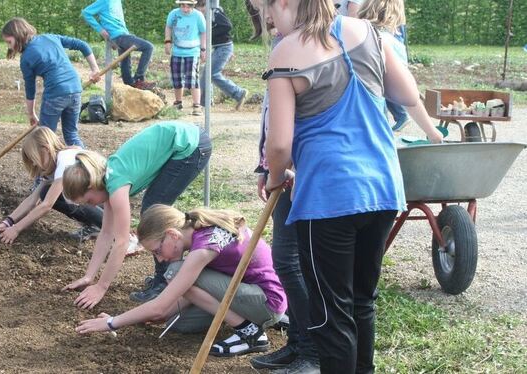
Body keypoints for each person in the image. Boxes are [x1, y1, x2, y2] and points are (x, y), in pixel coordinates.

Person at [258, 0, 442, 372]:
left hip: (329, 195)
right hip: (382, 188)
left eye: (268, 12)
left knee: (331, 314)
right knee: (361, 302)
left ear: (284, 3)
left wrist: (277, 177)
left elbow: (278, 144)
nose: (270, 22)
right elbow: (407, 96)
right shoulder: (368, 32)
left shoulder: (287, 51)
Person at [75, 204, 287, 357]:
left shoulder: (204, 246)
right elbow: (173, 302)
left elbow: (160, 305)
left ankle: (250, 332)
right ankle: (249, 323)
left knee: (176, 272)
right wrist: (154, 314)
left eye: (157, 250)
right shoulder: (199, 232)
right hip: (245, 294)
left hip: (266, 302)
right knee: (179, 322)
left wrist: (113, 322)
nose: (160, 258)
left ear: (172, 234)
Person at [61, 121, 212, 308]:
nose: (93, 205)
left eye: (89, 201)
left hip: (190, 145)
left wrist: (101, 287)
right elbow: (106, 234)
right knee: (152, 211)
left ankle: (165, 282)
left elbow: (122, 242)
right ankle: (165, 277)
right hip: (181, 141)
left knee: (152, 214)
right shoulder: (106, 183)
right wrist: (89, 276)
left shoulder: (116, 186)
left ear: (91, 185)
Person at [247, 16, 320, 374]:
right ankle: (298, 344)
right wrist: (265, 165)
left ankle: (312, 353)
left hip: (301, 169)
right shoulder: (281, 44)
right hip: (281, 169)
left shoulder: (307, 47)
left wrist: (281, 166)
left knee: (298, 262)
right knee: (286, 260)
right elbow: (269, 115)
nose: (266, 18)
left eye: (268, 7)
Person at [0, 127, 104, 244]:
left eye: (33, 158)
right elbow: (32, 200)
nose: (33, 163)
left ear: (46, 149)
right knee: (45, 192)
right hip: (98, 198)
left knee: (63, 197)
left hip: (109, 197)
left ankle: (109, 224)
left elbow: (47, 205)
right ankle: (95, 224)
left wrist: (16, 229)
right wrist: (7, 222)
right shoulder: (53, 167)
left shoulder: (65, 161)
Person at [1, 17, 101, 147]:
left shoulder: (25, 59)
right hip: (75, 89)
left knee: (46, 138)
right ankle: (87, 165)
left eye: (9, 42)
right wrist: (95, 69)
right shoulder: (50, 37)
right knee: (71, 135)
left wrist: (31, 114)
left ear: (17, 35)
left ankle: (49, 167)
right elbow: (83, 45)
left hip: (56, 94)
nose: (9, 46)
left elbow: (30, 90)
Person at [359, 0, 415, 131]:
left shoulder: (357, 37)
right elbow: (404, 87)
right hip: (376, 99)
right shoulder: (391, 42)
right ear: (396, 15)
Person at [82, 0, 156, 90]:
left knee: (125, 60)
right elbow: (86, 13)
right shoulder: (105, 1)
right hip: (117, 36)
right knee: (148, 47)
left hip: (123, 34)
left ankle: (129, 84)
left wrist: (126, 33)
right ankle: (139, 80)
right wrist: (100, 30)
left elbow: (118, 21)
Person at [196, 0, 249, 110]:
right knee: (207, 73)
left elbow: (227, 25)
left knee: (211, 73)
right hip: (219, 48)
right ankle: (204, 102)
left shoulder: (215, 12)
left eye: (200, 8)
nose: (199, 12)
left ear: (204, 5)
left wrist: (209, 34)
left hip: (224, 47)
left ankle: (238, 93)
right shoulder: (208, 14)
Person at [165, 0, 207, 116]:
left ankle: (197, 105)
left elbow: (204, 33)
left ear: (193, 6)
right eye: (183, 6)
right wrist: (167, 41)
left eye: (188, 6)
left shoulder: (198, 16)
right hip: (177, 50)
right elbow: (168, 27)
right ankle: (178, 102)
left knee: (192, 78)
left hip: (193, 51)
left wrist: (203, 49)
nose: (185, 9)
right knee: (176, 77)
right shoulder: (174, 14)